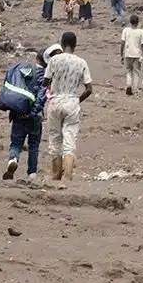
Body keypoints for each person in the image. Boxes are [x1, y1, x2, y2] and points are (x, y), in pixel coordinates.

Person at [44, 31, 92, 181]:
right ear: (75, 45)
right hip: (72, 101)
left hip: (56, 100)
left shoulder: (54, 60)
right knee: (70, 139)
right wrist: (77, 99)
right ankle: (68, 176)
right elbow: (89, 89)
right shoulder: (81, 62)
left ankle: (56, 174)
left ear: (62, 43)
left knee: (55, 138)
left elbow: (46, 81)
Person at [2, 46, 51, 183]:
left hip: (18, 113)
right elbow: (42, 97)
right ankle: (32, 174)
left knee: (16, 143)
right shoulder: (44, 77)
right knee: (34, 145)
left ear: (36, 59)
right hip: (35, 117)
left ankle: (13, 159)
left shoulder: (24, 71)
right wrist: (33, 113)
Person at [120, 13, 143, 96]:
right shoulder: (141, 32)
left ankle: (129, 85)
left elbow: (122, 43)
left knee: (129, 71)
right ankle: (135, 89)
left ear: (130, 22)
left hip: (128, 54)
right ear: (138, 22)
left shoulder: (125, 31)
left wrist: (121, 54)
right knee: (136, 72)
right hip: (137, 55)